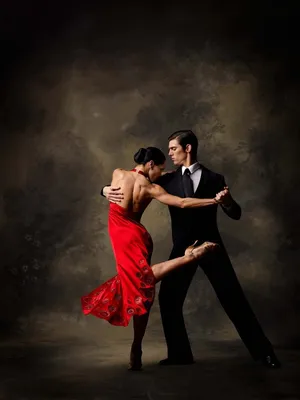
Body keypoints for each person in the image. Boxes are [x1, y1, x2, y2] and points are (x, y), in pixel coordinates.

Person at [101, 131, 281, 369]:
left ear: (187, 148)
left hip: (211, 245)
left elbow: (235, 213)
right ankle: (180, 355)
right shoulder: (166, 179)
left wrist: (226, 201)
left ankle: (265, 354)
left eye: (173, 149)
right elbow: (133, 180)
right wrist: (104, 190)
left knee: (233, 299)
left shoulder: (215, 178)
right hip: (182, 248)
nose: (170, 153)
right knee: (168, 299)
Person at [82, 146, 220, 371]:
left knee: (141, 284)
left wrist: (104, 190)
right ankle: (136, 348)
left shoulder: (118, 173)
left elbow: (112, 188)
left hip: (123, 237)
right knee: (142, 292)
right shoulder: (151, 187)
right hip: (138, 236)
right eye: (160, 170)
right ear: (151, 165)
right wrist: (214, 201)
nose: (162, 174)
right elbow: (182, 202)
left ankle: (190, 257)